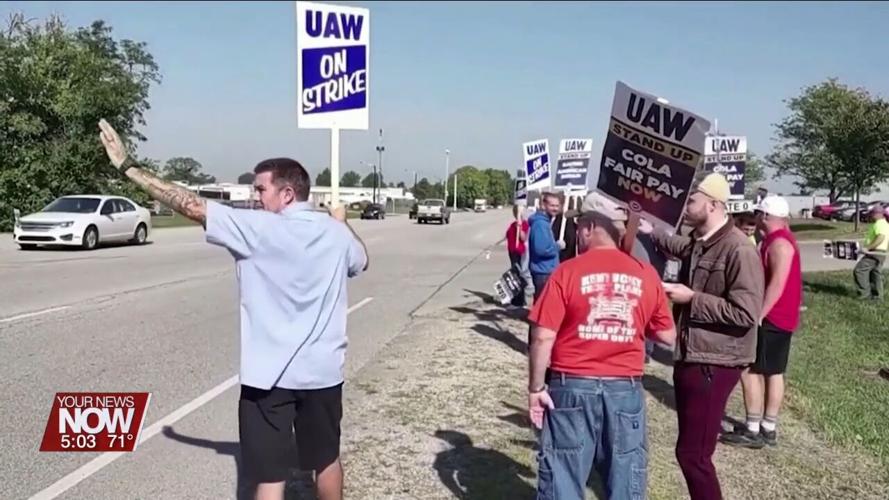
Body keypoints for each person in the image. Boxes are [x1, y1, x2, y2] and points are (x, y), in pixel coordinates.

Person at [98, 119, 368, 500]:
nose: (255, 197)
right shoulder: (335, 233)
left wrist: (128, 167)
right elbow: (361, 260)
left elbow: (189, 203)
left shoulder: (257, 229)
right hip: (323, 374)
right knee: (326, 460)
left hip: (270, 379)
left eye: (261, 189)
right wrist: (342, 224)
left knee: (270, 477)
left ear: (287, 193)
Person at [527, 208, 677, 500]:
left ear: (589, 228)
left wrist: (536, 388)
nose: (577, 234)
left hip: (571, 385)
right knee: (624, 473)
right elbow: (667, 336)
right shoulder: (645, 273)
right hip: (624, 387)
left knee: (563, 471)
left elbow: (543, 335)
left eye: (578, 227)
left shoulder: (567, 271)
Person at [646, 173, 764, 500]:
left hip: (715, 361)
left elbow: (746, 313)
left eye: (692, 200)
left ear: (712, 205)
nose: (684, 207)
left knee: (694, 455)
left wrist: (692, 298)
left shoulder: (738, 249)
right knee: (691, 452)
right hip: (693, 354)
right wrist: (651, 231)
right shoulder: (702, 241)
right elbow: (683, 248)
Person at [720, 196, 802, 449]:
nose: (755, 219)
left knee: (750, 369)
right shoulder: (777, 240)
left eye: (757, 214)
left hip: (772, 317)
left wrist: (759, 315)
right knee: (773, 371)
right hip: (780, 317)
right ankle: (768, 426)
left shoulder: (779, 244)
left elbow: (777, 284)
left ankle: (754, 428)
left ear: (765, 216)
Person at [528, 192, 563, 301]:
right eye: (552, 205)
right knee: (543, 302)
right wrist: (557, 246)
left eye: (557, 206)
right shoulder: (541, 224)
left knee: (543, 301)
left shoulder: (545, 222)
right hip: (543, 271)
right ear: (544, 205)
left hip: (545, 270)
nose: (555, 209)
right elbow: (541, 250)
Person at [854, 204, 888, 300]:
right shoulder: (884, 224)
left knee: (860, 270)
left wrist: (867, 248)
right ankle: (877, 296)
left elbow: (881, 237)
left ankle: (864, 295)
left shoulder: (880, 224)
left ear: (878, 214)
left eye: (872, 214)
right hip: (880, 252)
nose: (870, 216)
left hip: (875, 252)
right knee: (875, 274)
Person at [506, 205, 531, 307]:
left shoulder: (524, 224)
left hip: (519, 252)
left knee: (518, 275)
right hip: (512, 252)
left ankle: (519, 302)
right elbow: (508, 235)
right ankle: (518, 300)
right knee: (514, 275)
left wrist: (520, 229)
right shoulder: (513, 224)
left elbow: (523, 238)